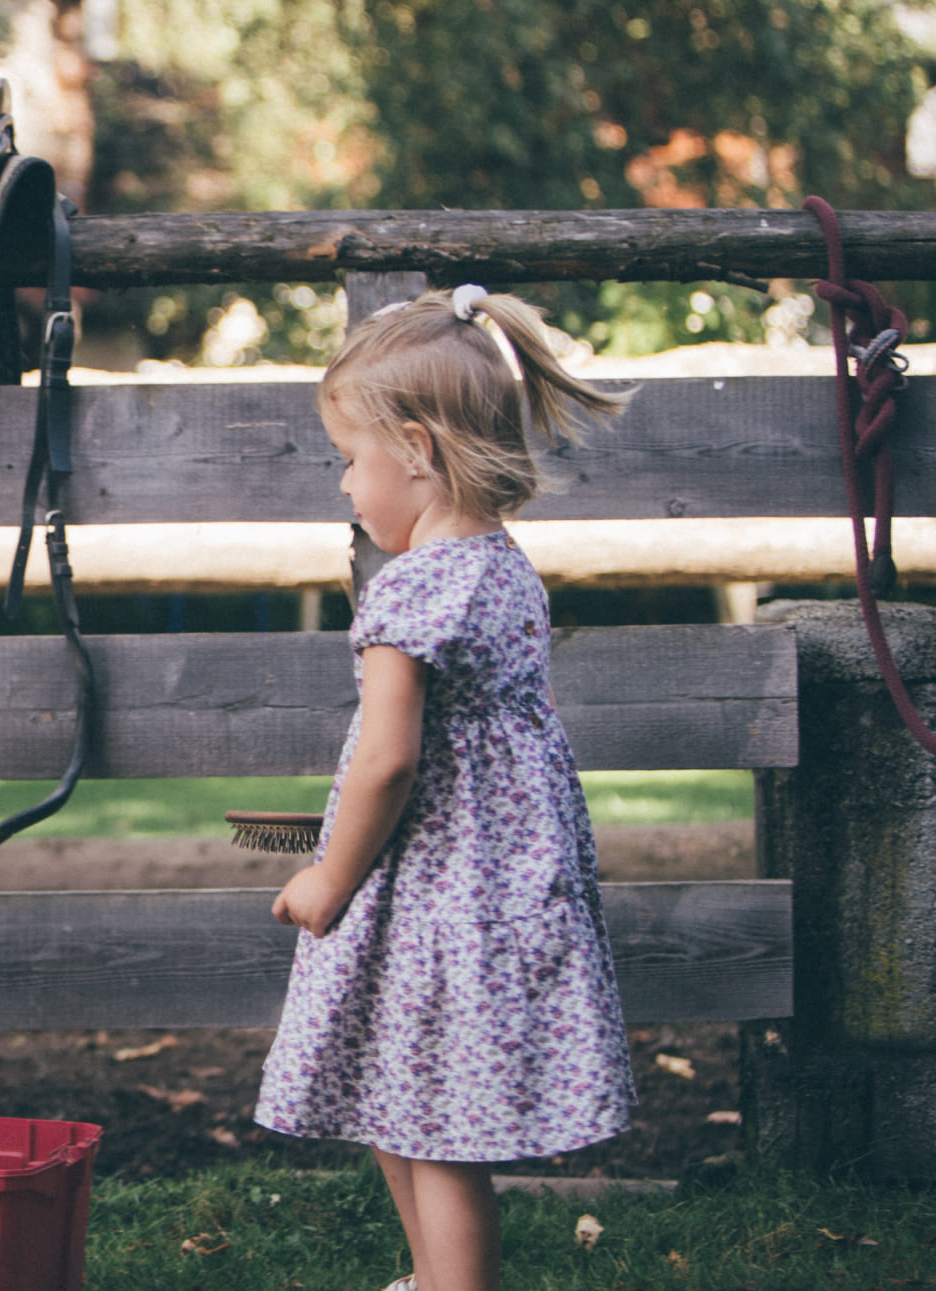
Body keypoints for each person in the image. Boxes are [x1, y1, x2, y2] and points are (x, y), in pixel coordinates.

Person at [255, 285, 637, 1291]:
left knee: (432, 1127)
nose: (343, 486)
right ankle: (428, 1280)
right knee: (405, 1091)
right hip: (497, 885)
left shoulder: (411, 591)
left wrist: (326, 881)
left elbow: (386, 760)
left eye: (348, 459)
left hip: (428, 890)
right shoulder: (503, 567)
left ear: (416, 449)